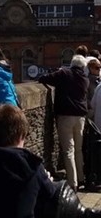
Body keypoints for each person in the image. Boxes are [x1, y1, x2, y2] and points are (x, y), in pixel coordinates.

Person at [39, 54, 89, 192]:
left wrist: (58, 71)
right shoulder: (85, 79)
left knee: (68, 150)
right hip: (80, 117)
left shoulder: (64, 73)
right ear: (83, 66)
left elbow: (43, 78)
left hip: (66, 115)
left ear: (72, 64)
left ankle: (73, 183)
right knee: (78, 149)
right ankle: (81, 178)